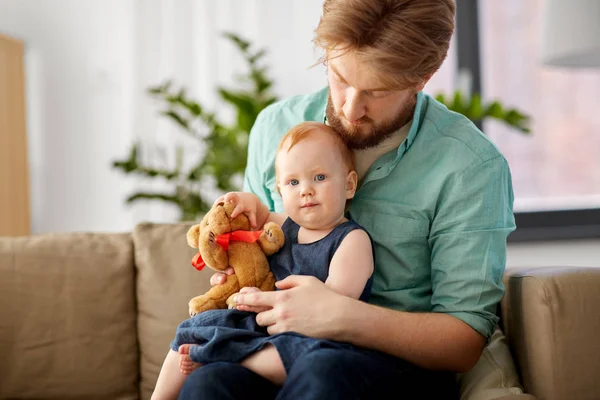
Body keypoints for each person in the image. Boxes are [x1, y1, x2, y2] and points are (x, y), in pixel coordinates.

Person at [179, 0, 516, 399]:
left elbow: (463, 341)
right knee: (208, 383)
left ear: (423, 77)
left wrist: (342, 316)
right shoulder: (274, 128)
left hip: (391, 367)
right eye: (339, 78)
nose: (350, 109)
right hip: (272, 347)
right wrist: (239, 260)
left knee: (325, 372)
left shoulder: (470, 166)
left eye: (377, 91)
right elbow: (257, 262)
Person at [152, 121, 395, 400]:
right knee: (194, 328)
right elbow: (254, 214)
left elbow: (335, 310)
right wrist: (241, 201)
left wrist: (266, 299)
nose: (306, 190)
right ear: (281, 192)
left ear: (349, 185)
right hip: (260, 331)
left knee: (297, 355)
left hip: (315, 338)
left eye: (320, 177)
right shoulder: (283, 226)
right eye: (293, 182)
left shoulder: (351, 240)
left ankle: (225, 355)